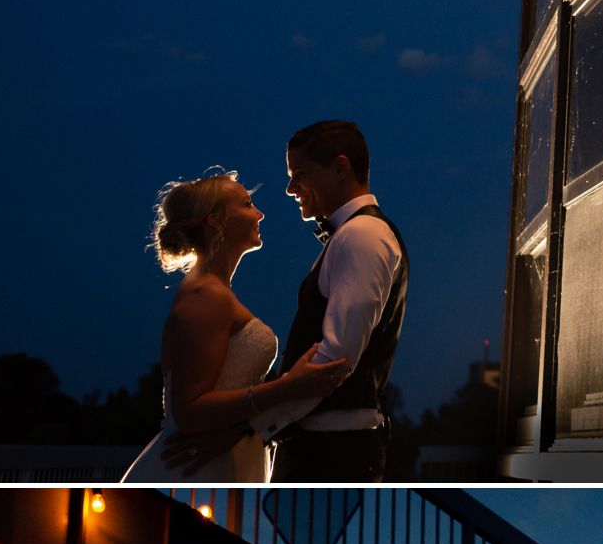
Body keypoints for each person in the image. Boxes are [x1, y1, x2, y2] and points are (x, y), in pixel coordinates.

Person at [161, 119, 407, 483]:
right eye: (248, 204)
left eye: (300, 174)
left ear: (340, 168)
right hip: (315, 444)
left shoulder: (362, 236)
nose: (290, 188)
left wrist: (245, 429)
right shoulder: (351, 237)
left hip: (333, 449)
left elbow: (332, 363)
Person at [122, 172, 347, 482]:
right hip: (196, 469)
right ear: (216, 220)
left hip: (220, 458)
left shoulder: (214, 291)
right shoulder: (206, 296)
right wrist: (289, 386)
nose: (259, 213)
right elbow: (189, 411)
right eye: (247, 204)